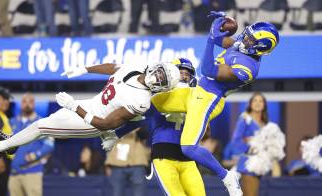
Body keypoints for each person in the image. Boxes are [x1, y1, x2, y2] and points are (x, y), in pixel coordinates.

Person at [150, 11, 280, 196]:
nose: (244, 39)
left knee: (188, 147)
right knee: (152, 102)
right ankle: (113, 131)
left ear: (260, 47)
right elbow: (222, 40)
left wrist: (211, 39)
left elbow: (208, 69)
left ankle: (227, 176)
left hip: (209, 99)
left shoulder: (248, 68)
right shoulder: (244, 46)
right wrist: (218, 25)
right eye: (247, 34)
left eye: (250, 40)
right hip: (196, 92)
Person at [0, 62, 180, 161]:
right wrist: (84, 69)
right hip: (91, 104)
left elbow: (106, 123)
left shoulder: (142, 101)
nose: (158, 79)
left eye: (163, 80)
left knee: (41, 126)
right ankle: (11, 143)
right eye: (160, 73)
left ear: (164, 87)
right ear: (156, 67)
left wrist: (74, 106)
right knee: (44, 124)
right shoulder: (135, 68)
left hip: (91, 122)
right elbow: (112, 67)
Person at [113, 58, 206, 196]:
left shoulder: (194, 99)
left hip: (187, 156)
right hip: (164, 155)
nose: (185, 76)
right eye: (181, 72)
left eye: (187, 74)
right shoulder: (157, 97)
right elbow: (138, 119)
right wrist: (115, 134)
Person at [229, 92, 284, 196]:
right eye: (255, 100)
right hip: (248, 165)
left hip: (262, 164)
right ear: (250, 104)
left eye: (260, 101)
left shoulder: (265, 123)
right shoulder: (245, 119)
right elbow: (235, 140)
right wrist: (249, 149)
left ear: (264, 104)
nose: (258, 103)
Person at [8, 93, 54, 196]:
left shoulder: (42, 122)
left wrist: (34, 155)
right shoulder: (12, 122)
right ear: (20, 104)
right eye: (24, 101)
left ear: (34, 104)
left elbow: (49, 144)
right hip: (14, 172)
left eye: (30, 101)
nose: (27, 104)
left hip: (32, 171)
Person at [105, 128, 150, 196]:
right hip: (117, 163)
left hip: (137, 162)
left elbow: (145, 135)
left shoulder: (140, 123)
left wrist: (135, 126)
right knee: (117, 192)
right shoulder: (115, 123)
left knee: (139, 193)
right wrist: (108, 164)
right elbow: (108, 141)